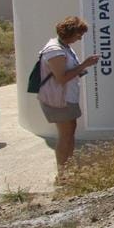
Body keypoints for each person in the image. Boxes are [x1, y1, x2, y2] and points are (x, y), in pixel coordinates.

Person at [36, 16, 99, 173]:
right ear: (70, 32)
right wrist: (85, 64)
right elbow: (61, 78)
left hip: (66, 98)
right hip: (59, 100)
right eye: (79, 34)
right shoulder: (55, 50)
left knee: (70, 132)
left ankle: (68, 169)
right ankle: (63, 173)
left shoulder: (63, 47)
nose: (80, 38)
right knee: (65, 135)